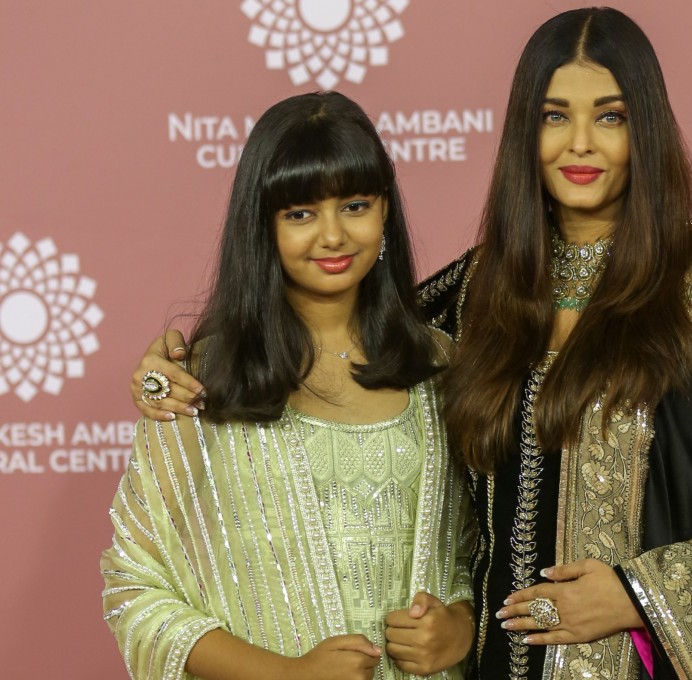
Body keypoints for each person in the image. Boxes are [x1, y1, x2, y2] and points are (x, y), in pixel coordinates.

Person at [130, 8, 692, 680]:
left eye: (610, 117)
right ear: (522, 133)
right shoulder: (476, 298)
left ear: (648, 130)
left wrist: (637, 592)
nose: (580, 144)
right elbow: (340, 327)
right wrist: (189, 363)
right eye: (553, 118)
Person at [102, 91, 476, 680]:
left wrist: (460, 624)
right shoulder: (200, 384)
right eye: (300, 213)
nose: (332, 235)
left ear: (385, 211)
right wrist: (286, 673)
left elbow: (485, 550)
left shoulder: (442, 368)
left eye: (355, 205)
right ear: (263, 227)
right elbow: (135, 585)